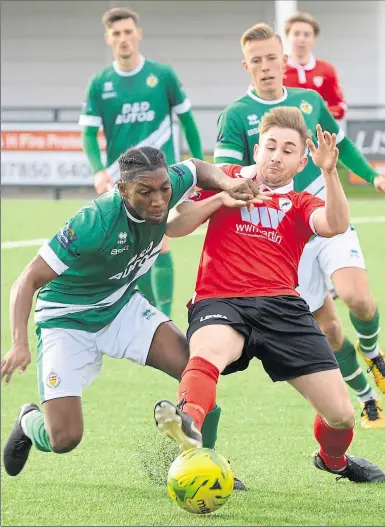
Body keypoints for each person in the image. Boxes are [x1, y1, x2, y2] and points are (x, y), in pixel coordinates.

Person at [1, 147, 266, 481]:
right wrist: (19, 343)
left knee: (196, 372)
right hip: (66, 319)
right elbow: (26, 281)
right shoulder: (93, 222)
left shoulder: (168, 182)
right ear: (123, 190)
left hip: (121, 306)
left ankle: (204, 465)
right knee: (64, 438)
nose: (158, 200)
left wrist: (227, 183)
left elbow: (198, 168)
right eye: (145, 192)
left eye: (164, 190)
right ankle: (28, 421)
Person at [154, 108, 385, 483]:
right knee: (208, 353)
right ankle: (189, 427)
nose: (276, 155)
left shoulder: (299, 203)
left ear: (300, 162)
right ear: (257, 149)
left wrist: (329, 172)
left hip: (283, 307)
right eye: (271, 146)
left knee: (341, 415)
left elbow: (337, 224)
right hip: (221, 299)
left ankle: (333, 460)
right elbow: (174, 226)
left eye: (288, 150)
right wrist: (220, 199)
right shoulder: (225, 178)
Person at [213, 23, 385, 428]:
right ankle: (366, 398)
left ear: (284, 60)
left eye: (272, 58)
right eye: (257, 61)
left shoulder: (309, 101)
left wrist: (373, 174)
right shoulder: (236, 115)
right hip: (285, 233)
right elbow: (223, 171)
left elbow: (338, 147)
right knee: (328, 328)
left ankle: (375, 354)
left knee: (357, 297)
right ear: (246, 66)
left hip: (322, 211)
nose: (266, 67)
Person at [79, 7, 204, 318]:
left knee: (159, 242)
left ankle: (161, 314)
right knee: (135, 248)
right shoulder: (100, 83)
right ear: (109, 38)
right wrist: (98, 171)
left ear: (138, 34)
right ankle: (148, 312)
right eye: (117, 34)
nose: (123, 39)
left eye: (127, 32)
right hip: (123, 180)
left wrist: (197, 162)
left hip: (162, 177)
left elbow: (187, 121)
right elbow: (88, 133)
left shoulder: (162, 76)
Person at [283, 12, 347, 121]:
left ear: (314, 39)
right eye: (296, 34)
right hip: (284, 134)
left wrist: (316, 111)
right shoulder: (275, 69)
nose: (301, 39)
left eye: (307, 35)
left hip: (317, 135)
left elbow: (340, 108)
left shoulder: (326, 70)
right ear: (287, 36)